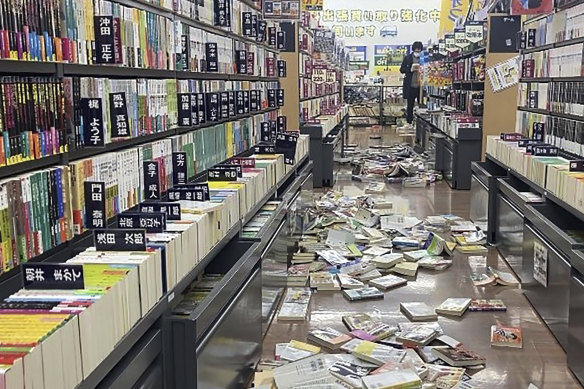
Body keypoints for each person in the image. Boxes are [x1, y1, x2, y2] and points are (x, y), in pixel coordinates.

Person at [400, 41, 423, 127]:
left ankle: (420, 124)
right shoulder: (408, 58)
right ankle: (409, 122)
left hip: (421, 86)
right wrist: (410, 69)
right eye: (416, 51)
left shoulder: (424, 58)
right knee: (410, 105)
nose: (417, 53)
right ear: (413, 50)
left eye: (419, 51)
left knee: (422, 105)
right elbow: (401, 69)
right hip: (410, 85)